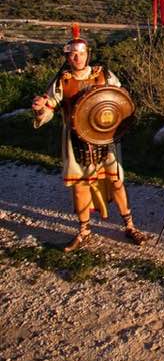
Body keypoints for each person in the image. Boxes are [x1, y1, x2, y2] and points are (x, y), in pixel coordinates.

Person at [31, 24, 147, 251]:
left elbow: (119, 99)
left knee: (115, 181)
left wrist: (120, 121)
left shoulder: (103, 74)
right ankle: (83, 231)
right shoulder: (61, 82)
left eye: (82, 53)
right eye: (73, 53)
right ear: (67, 56)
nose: (78, 57)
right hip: (76, 140)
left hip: (104, 137)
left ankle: (130, 226)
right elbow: (49, 110)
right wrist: (39, 108)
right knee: (80, 186)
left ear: (88, 54)